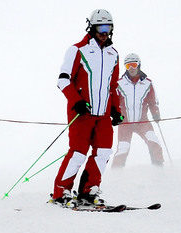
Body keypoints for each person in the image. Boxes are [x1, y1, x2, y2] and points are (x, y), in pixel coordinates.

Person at [50, 9, 124, 207]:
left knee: (104, 152)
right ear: (91, 27)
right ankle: (61, 192)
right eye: (100, 27)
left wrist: (116, 110)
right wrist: (77, 101)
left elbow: (113, 86)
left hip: (103, 115)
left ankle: (88, 191)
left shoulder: (113, 54)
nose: (104, 32)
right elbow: (63, 80)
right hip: (82, 113)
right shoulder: (77, 50)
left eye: (108, 27)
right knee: (78, 152)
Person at [112, 53, 163, 168]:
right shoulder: (119, 84)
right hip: (125, 123)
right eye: (128, 66)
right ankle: (116, 173)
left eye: (133, 65)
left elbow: (152, 101)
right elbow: (113, 102)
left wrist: (155, 114)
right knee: (123, 148)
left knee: (153, 141)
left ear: (138, 65)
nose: (131, 68)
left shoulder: (147, 83)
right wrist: (115, 115)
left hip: (142, 121)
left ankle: (159, 167)